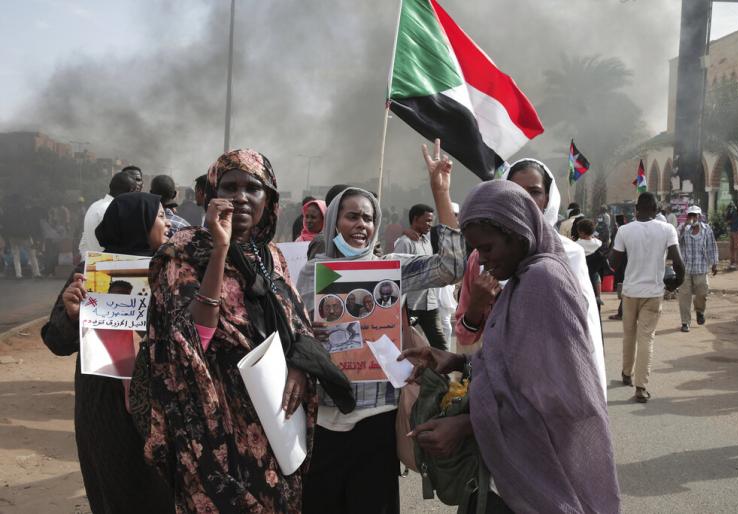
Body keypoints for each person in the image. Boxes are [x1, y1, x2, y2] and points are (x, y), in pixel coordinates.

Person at [141, 149, 353, 513]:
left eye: (252, 188)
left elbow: (295, 323)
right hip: (211, 421)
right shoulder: (183, 253)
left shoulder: (272, 257)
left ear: (267, 200)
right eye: (229, 186)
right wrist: (220, 248)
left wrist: (301, 367)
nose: (240, 196)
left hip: (274, 420)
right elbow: (189, 342)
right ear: (210, 194)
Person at [401, 180, 620, 513]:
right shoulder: (523, 277)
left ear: (518, 233)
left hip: (550, 462)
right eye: (476, 251)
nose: (484, 261)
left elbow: (553, 397)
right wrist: (455, 361)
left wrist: (465, 425)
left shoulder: (542, 281)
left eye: (487, 249)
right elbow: (516, 365)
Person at [296, 139, 465, 514]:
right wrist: (308, 334)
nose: (361, 225)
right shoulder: (312, 273)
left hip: (377, 417)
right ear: (335, 220)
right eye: (352, 216)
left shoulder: (392, 267)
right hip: (322, 418)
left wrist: (440, 193)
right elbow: (291, 333)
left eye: (368, 218)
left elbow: (452, 267)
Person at [41, 192, 174, 514]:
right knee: (114, 486)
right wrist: (73, 315)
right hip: (105, 405)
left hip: (160, 402)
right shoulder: (92, 273)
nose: (167, 223)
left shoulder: (172, 271)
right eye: (159, 216)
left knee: (162, 489)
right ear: (137, 223)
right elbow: (56, 341)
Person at [454, 158, 608, 398]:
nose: (525, 201)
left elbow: (581, 336)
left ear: (548, 198)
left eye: (535, 192)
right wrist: (477, 306)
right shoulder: (481, 257)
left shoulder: (568, 256)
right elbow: (465, 335)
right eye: (515, 191)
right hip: (492, 385)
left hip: (547, 393)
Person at [611, 192, 685, 403]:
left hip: (630, 291)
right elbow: (678, 263)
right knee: (646, 339)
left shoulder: (624, 230)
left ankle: (626, 373)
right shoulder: (667, 229)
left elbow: (614, 263)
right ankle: (641, 387)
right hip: (653, 293)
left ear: (636, 209)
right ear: (656, 210)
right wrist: (674, 284)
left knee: (629, 334)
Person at [394, 204, 449, 351]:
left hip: (429, 303)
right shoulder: (405, 242)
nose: (430, 224)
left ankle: (445, 373)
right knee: (402, 344)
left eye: (431, 220)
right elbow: (397, 272)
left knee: (440, 345)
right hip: (411, 304)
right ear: (415, 219)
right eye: (427, 220)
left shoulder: (427, 240)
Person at [678, 205, 718, 332]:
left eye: (695, 215)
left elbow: (712, 246)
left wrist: (714, 263)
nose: (692, 218)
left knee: (702, 293)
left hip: (701, 268)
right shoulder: (684, 229)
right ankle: (685, 322)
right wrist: (684, 227)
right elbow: (676, 242)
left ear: (699, 217)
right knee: (684, 296)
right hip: (686, 269)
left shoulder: (707, 230)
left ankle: (700, 311)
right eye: (690, 215)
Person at [79, 171, 137, 256]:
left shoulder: (94, 205)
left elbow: (83, 243)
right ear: (131, 191)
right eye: (135, 193)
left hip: (92, 263)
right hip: (105, 264)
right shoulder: (113, 210)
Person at [576, 218, 605, 306]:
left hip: (582, 272)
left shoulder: (577, 244)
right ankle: (598, 296)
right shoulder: (598, 243)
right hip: (595, 269)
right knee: (596, 276)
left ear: (582, 232)